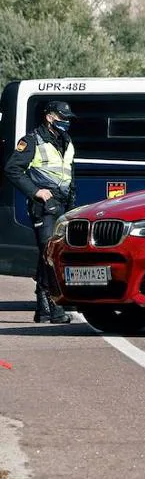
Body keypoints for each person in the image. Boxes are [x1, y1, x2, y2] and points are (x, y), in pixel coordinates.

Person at [4, 101, 77, 324]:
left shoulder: (66, 140)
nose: (66, 122)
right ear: (49, 117)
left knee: (51, 254)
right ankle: (53, 309)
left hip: (63, 205)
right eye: (62, 117)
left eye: (68, 118)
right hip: (44, 206)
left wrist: (72, 203)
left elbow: (69, 173)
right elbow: (12, 169)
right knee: (49, 254)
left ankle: (44, 309)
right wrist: (36, 192)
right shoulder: (32, 141)